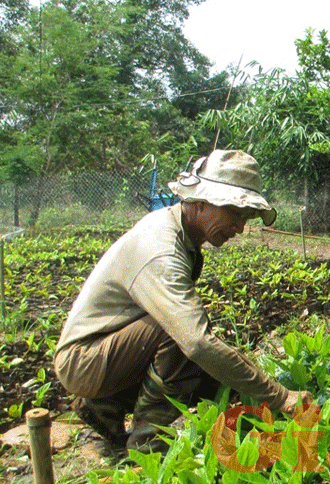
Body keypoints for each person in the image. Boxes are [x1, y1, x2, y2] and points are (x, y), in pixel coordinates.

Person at [54, 149, 304, 452]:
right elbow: (196, 343)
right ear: (200, 203)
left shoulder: (179, 231)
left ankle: (103, 406)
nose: (241, 227)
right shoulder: (162, 250)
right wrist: (280, 396)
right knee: (184, 337)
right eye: (236, 213)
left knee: (211, 372)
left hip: (103, 353)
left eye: (247, 216)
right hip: (83, 361)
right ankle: (147, 447)